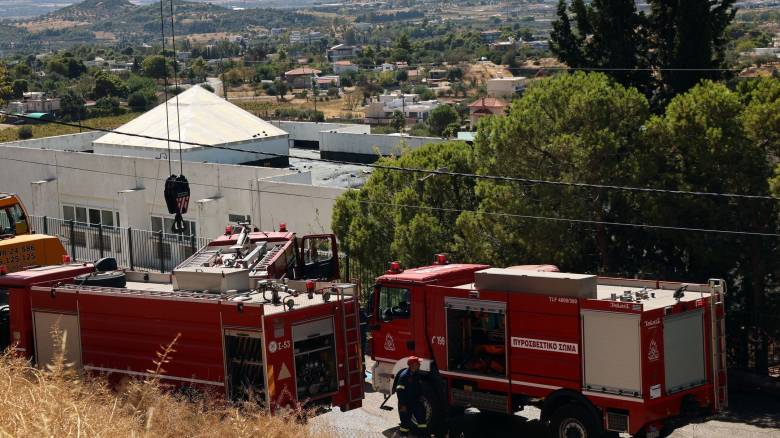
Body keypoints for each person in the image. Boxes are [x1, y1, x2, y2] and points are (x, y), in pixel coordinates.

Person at [396, 356, 427, 436]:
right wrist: (402, 405)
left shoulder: (417, 374)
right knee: (405, 423)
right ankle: (403, 436)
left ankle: (422, 436)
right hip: (405, 404)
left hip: (416, 402)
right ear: (412, 365)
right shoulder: (404, 376)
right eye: (417, 364)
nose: (419, 365)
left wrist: (422, 397)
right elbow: (399, 391)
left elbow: (420, 387)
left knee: (422, 421)